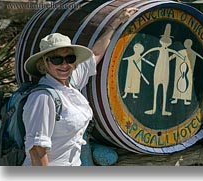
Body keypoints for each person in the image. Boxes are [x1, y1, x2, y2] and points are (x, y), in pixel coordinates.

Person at [22, 7, 138, 166]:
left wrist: (116, 22)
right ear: (44, 64)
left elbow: (96, 53)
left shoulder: (71, 83)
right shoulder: (43, 98)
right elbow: (36, 150)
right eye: (56, 60)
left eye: (69, 58)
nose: (64, 64)